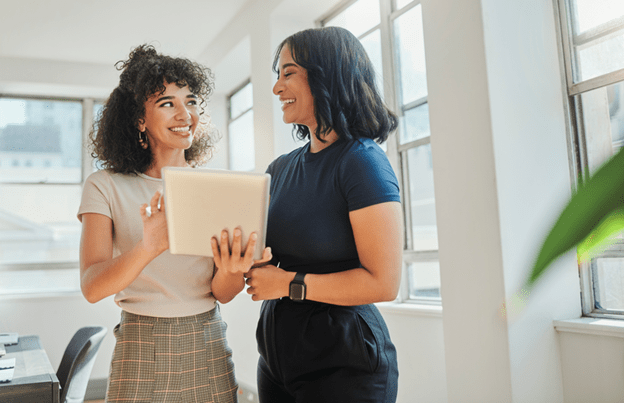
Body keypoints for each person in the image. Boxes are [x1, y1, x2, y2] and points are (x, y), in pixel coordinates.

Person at [78, 44, 269, 403]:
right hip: (140, 346)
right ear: (139, 119)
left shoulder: (215, 188)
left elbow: (222, 293)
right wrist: (149, 246)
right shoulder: (104, 185)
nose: (186, 113)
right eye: (167, 103)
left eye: (192, 101)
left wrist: (233, 268)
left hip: (207, 341)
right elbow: (92, 287)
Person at [244, 27, 403, 403]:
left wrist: (288, 284)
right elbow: (263, 256)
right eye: (276, 75)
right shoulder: (280, 169)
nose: (276, 88)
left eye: (288, 73)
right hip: (277, 362)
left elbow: (383, 282)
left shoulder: (361, 163)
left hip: (344, 364)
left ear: (326, 74)